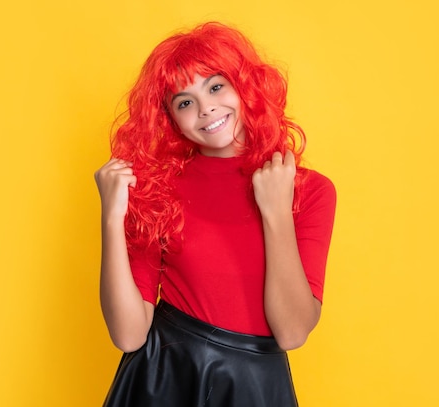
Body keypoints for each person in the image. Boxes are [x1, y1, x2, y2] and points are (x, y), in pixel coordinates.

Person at [94, 21, 336, 407]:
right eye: (184, 102)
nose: (205, 107)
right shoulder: (158, 187)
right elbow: (128, 336)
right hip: (161, 379)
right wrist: (112, 215)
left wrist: (275, 211)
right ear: (170, 118)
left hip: (255, 387)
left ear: (244, 85)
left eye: (216, 86)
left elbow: (291, 333)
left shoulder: (309, 190)